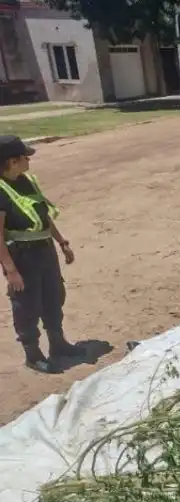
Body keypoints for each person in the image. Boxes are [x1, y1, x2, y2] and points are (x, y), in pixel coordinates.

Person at [0, 135, 83, 374]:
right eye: (25, 157)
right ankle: (33, 355)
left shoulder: (27, 181)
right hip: (22, 256)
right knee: (27, 304)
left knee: (53, 295)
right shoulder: (1, 191)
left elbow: (43, 216)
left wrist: (62, 241)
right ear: (12, 161)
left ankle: (58, 344)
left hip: (45, 250)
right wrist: (10, 270)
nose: (29, 160)